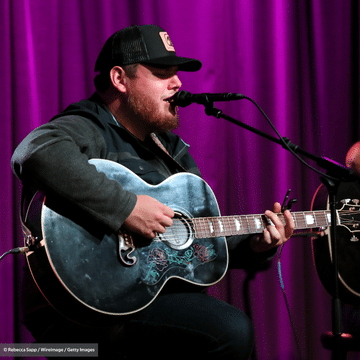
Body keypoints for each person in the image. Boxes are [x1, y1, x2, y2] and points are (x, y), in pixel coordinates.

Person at [11, 25, 294, 360]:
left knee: (220, 324)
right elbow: (34, 153)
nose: (177, 84)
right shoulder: (88, 125)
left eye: (176, 74)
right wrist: (126, 208)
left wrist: (255, 245)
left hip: (148, 296)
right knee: (229, 330)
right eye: (162, 73)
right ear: (119, 79)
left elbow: (200, 232)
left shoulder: (170, 148)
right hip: (85, 310)